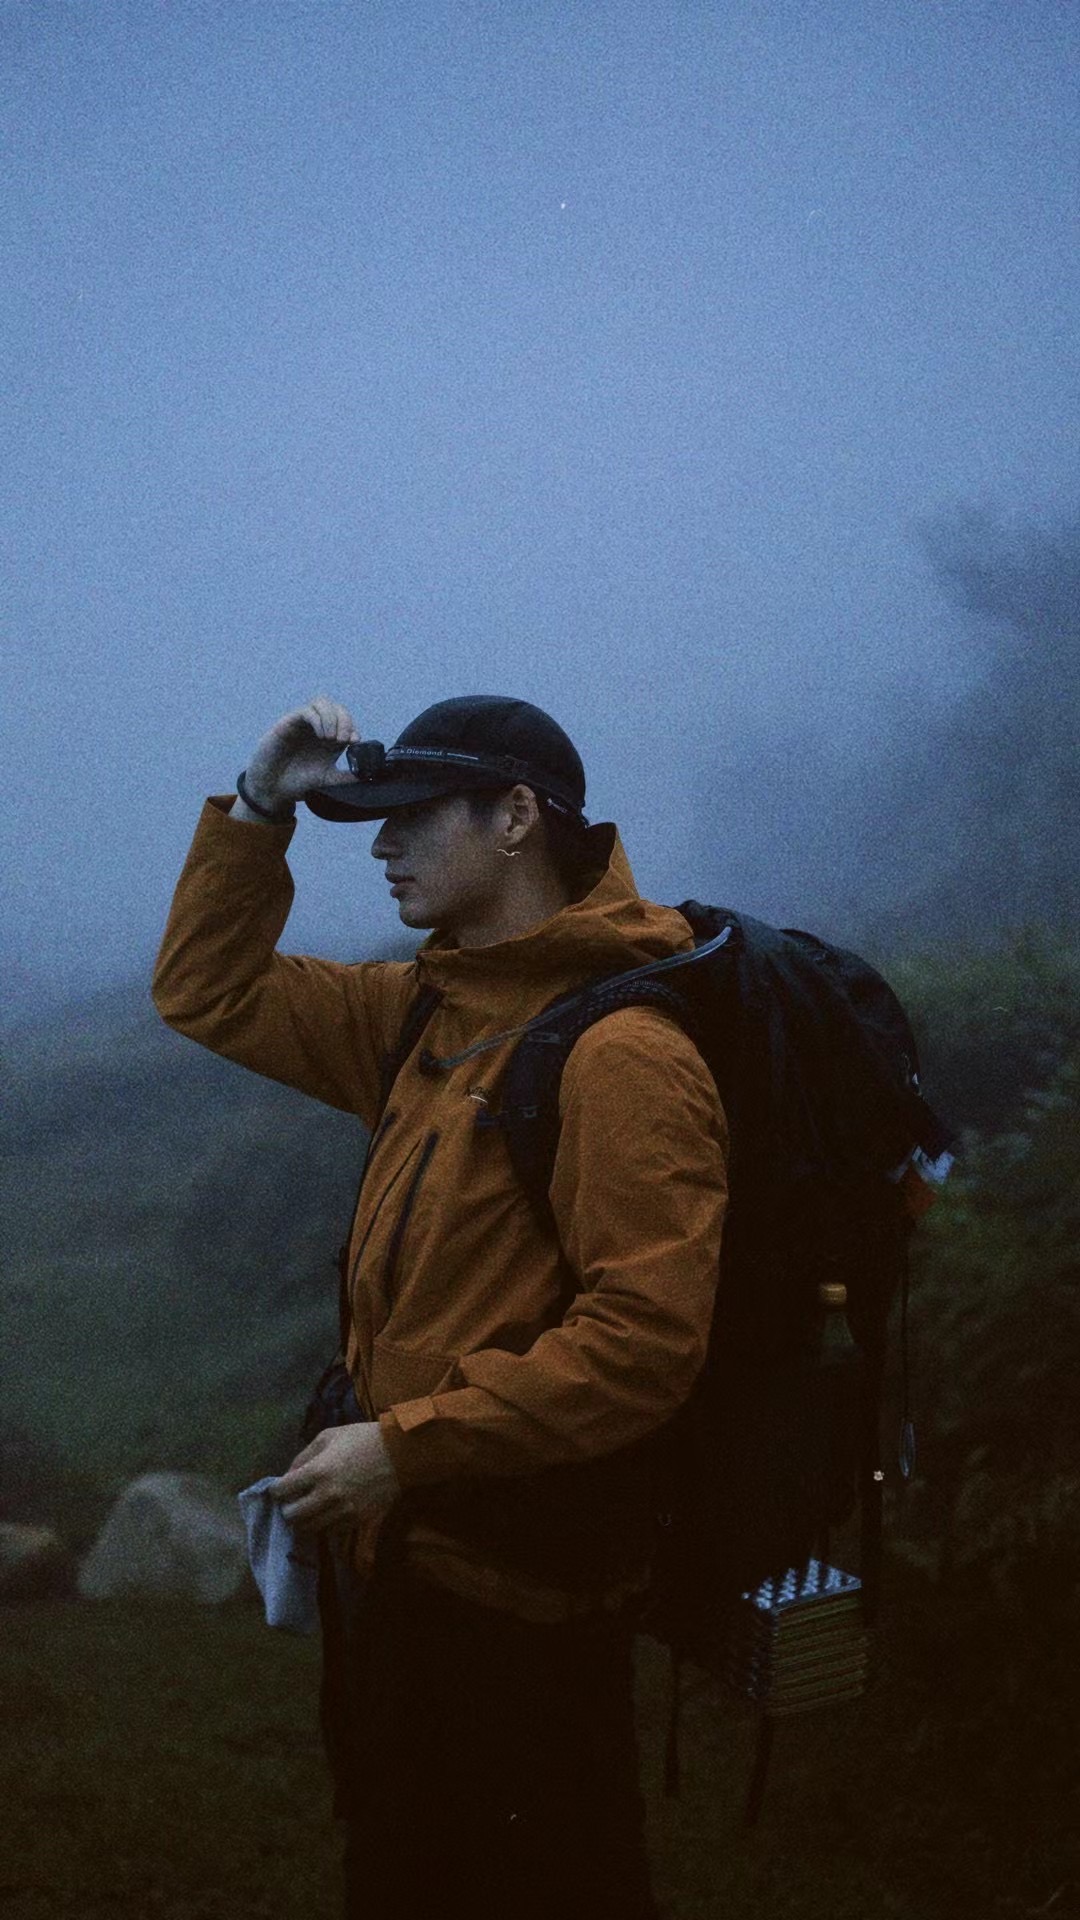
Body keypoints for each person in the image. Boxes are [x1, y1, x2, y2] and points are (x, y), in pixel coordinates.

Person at [152, 692, 729, 1920]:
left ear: (516, 817)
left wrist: (403, 1449)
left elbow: (645, 1344)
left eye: (415, 815)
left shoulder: (626, 1055)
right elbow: (208, 990)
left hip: (522, 1607)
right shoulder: (428, 1013)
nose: (381, 844)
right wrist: (256, 810)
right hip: (403, 1577)